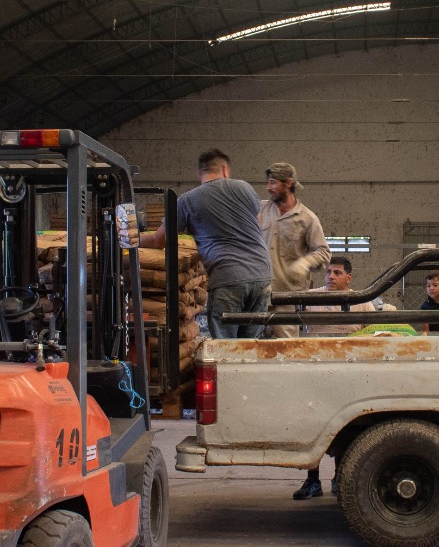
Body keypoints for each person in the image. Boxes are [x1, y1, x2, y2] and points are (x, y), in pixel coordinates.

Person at [140, 149, 273, 339]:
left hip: (228, 277)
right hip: (262, 275)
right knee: (250, 347)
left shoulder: (188, 200)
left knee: (225, 348)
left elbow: (157, 241)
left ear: (199, 174)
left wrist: (129, 238)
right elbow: (256, 225)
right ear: (225, 169)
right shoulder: (245, 188)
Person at [293, 255, 376, 500]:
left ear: (348, 278)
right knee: (312, 427)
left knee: (346, 428)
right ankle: (312, 481)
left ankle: (340, 477)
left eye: (337, 273)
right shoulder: (312, 299)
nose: (331, 277)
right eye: (328, 272)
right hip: (315, 375)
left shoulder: (362, 302)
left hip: (348, 377)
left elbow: (372, 338)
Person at [256, 161, 331, 338]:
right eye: (268, 182)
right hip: (258, 291)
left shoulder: (307, 219)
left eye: (273, 182)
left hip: (287, 295)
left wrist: (305, 262)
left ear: (288, 183)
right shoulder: (261, 210)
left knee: (286, 345)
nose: (269, 187)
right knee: (251, 343)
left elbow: (323, 251)